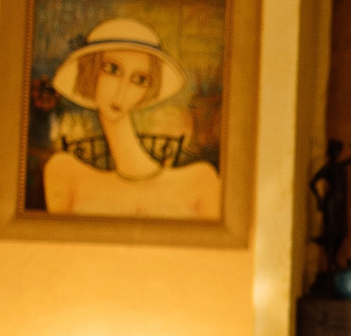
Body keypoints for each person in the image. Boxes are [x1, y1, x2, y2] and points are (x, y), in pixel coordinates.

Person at [41, 16, 222, 219]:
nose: (122, 90)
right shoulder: (64, 172)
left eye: (139, 79)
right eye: (112, 69)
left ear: (147, 90)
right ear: (90, 72)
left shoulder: (201, 180)